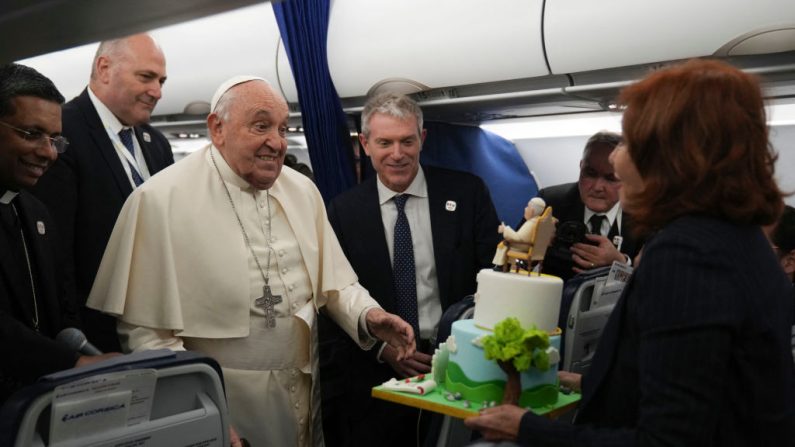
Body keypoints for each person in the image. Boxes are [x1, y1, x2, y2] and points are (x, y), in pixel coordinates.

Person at [465, 59, 795, 445]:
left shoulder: (687, 256)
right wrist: (595, 384)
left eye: (630, 143)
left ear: (670, 157)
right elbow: (704, 391)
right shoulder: (739, 238)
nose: (618, 162)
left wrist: (525, 427)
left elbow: (666, 441)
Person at [85, 76, 415, 447]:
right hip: (222, 398)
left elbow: (335, 284)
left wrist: (369, 316)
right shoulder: (161, 200)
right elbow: (148, 335)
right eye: (261, 126)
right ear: (217, 128)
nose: (277, 141)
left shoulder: (303, 190)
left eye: (282, 128)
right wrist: (204, 416)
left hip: (305, 389)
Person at [319, 92, 500, 446]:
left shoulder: (466, 193)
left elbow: (492, 274)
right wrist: (381, 349)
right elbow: (334, 299)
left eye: (407, 141)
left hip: (458, 363)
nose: (397, 154)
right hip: (378, 375)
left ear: (423, 140)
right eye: (385, 142)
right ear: (365, 145)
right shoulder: (343, 211)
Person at [31, 33, 174, 353]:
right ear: (105, 67)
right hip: (95, 333)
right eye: (146, 77)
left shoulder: (157, 144)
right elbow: (57, 252)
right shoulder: (61, 131)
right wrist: (74, 338)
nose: (158, 91)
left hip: (156, 324)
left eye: (162, 80)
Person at [0, 63, 116, 403]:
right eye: (31, 134)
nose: (49, 152)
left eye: (54, 139)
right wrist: (73, 361)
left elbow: (62, 309)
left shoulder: (37, 213)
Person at [537, 131, 641, 281]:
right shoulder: (550, 203)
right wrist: (536, 247)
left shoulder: (642, 216)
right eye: (590, 174)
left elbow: (649, 285)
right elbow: (510, 261)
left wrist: (620, 263)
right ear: (581, 167)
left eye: (611, 178)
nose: (598, 187)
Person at [492, 197, 546, 269]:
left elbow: (518, 238)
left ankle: (501, 266)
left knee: (504, 245)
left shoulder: (531, 223)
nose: (525, 209)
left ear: (532, 210)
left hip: (523, 246)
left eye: (527, 207)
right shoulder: (536, 221)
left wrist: (504, 229)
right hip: (527, 244)